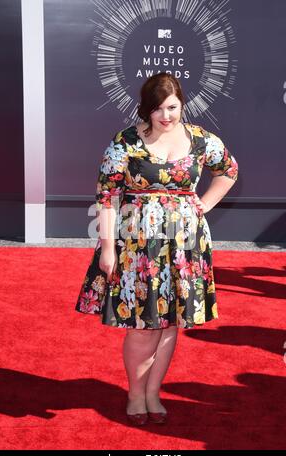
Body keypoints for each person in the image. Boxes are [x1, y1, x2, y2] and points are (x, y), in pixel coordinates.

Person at [75, 72, 239, 426]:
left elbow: (228, 169)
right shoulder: (127, 142)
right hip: (137, 248)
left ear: (182, 104)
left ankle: (154, 392)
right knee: (142, 325)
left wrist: (205, 204)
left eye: (173, 107)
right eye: (158, 109)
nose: (166, 116)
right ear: (146, 109)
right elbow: (106, 197)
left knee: (168, 324)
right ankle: (135, 393)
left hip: (185, 246)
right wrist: (107, 249)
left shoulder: (199, 140)